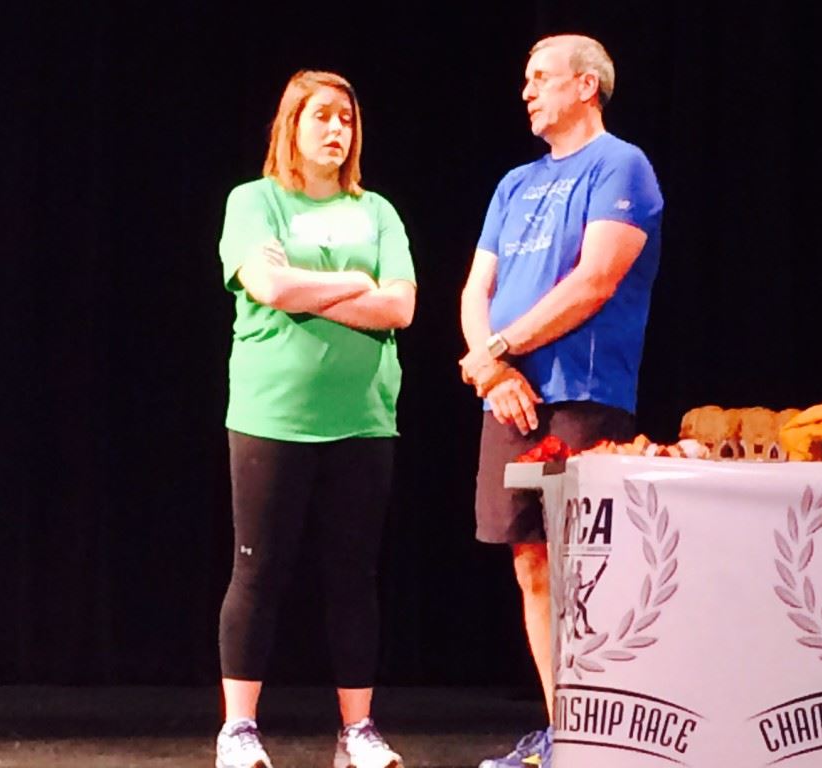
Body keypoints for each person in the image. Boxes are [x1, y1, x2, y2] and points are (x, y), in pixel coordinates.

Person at [459, 34, 663, 768]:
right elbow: (475, 290)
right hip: (508, 398)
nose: (526, 90)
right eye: (525, 79)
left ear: (586, 85)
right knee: (532, 565)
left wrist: (500, 350)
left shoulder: (622, 165)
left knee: (588, 568)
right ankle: (560, 732)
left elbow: (595, 280)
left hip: (583, 391)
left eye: (540, 78)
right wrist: (493, 371)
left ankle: (602, 735)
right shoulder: (513, 184)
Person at [215, 70, 416, 768]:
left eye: (348, 119)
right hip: (272, 418)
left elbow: (401, 308)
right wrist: (357, 283)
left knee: (352, 576)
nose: (337, 130)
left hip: (363, 420)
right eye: (323, 116)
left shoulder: (378, 213)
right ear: (291, 127)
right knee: (258, 570)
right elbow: (265, 284)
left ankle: (356, 730)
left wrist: (308, 291)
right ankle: (239, 730)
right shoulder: (256, 202)